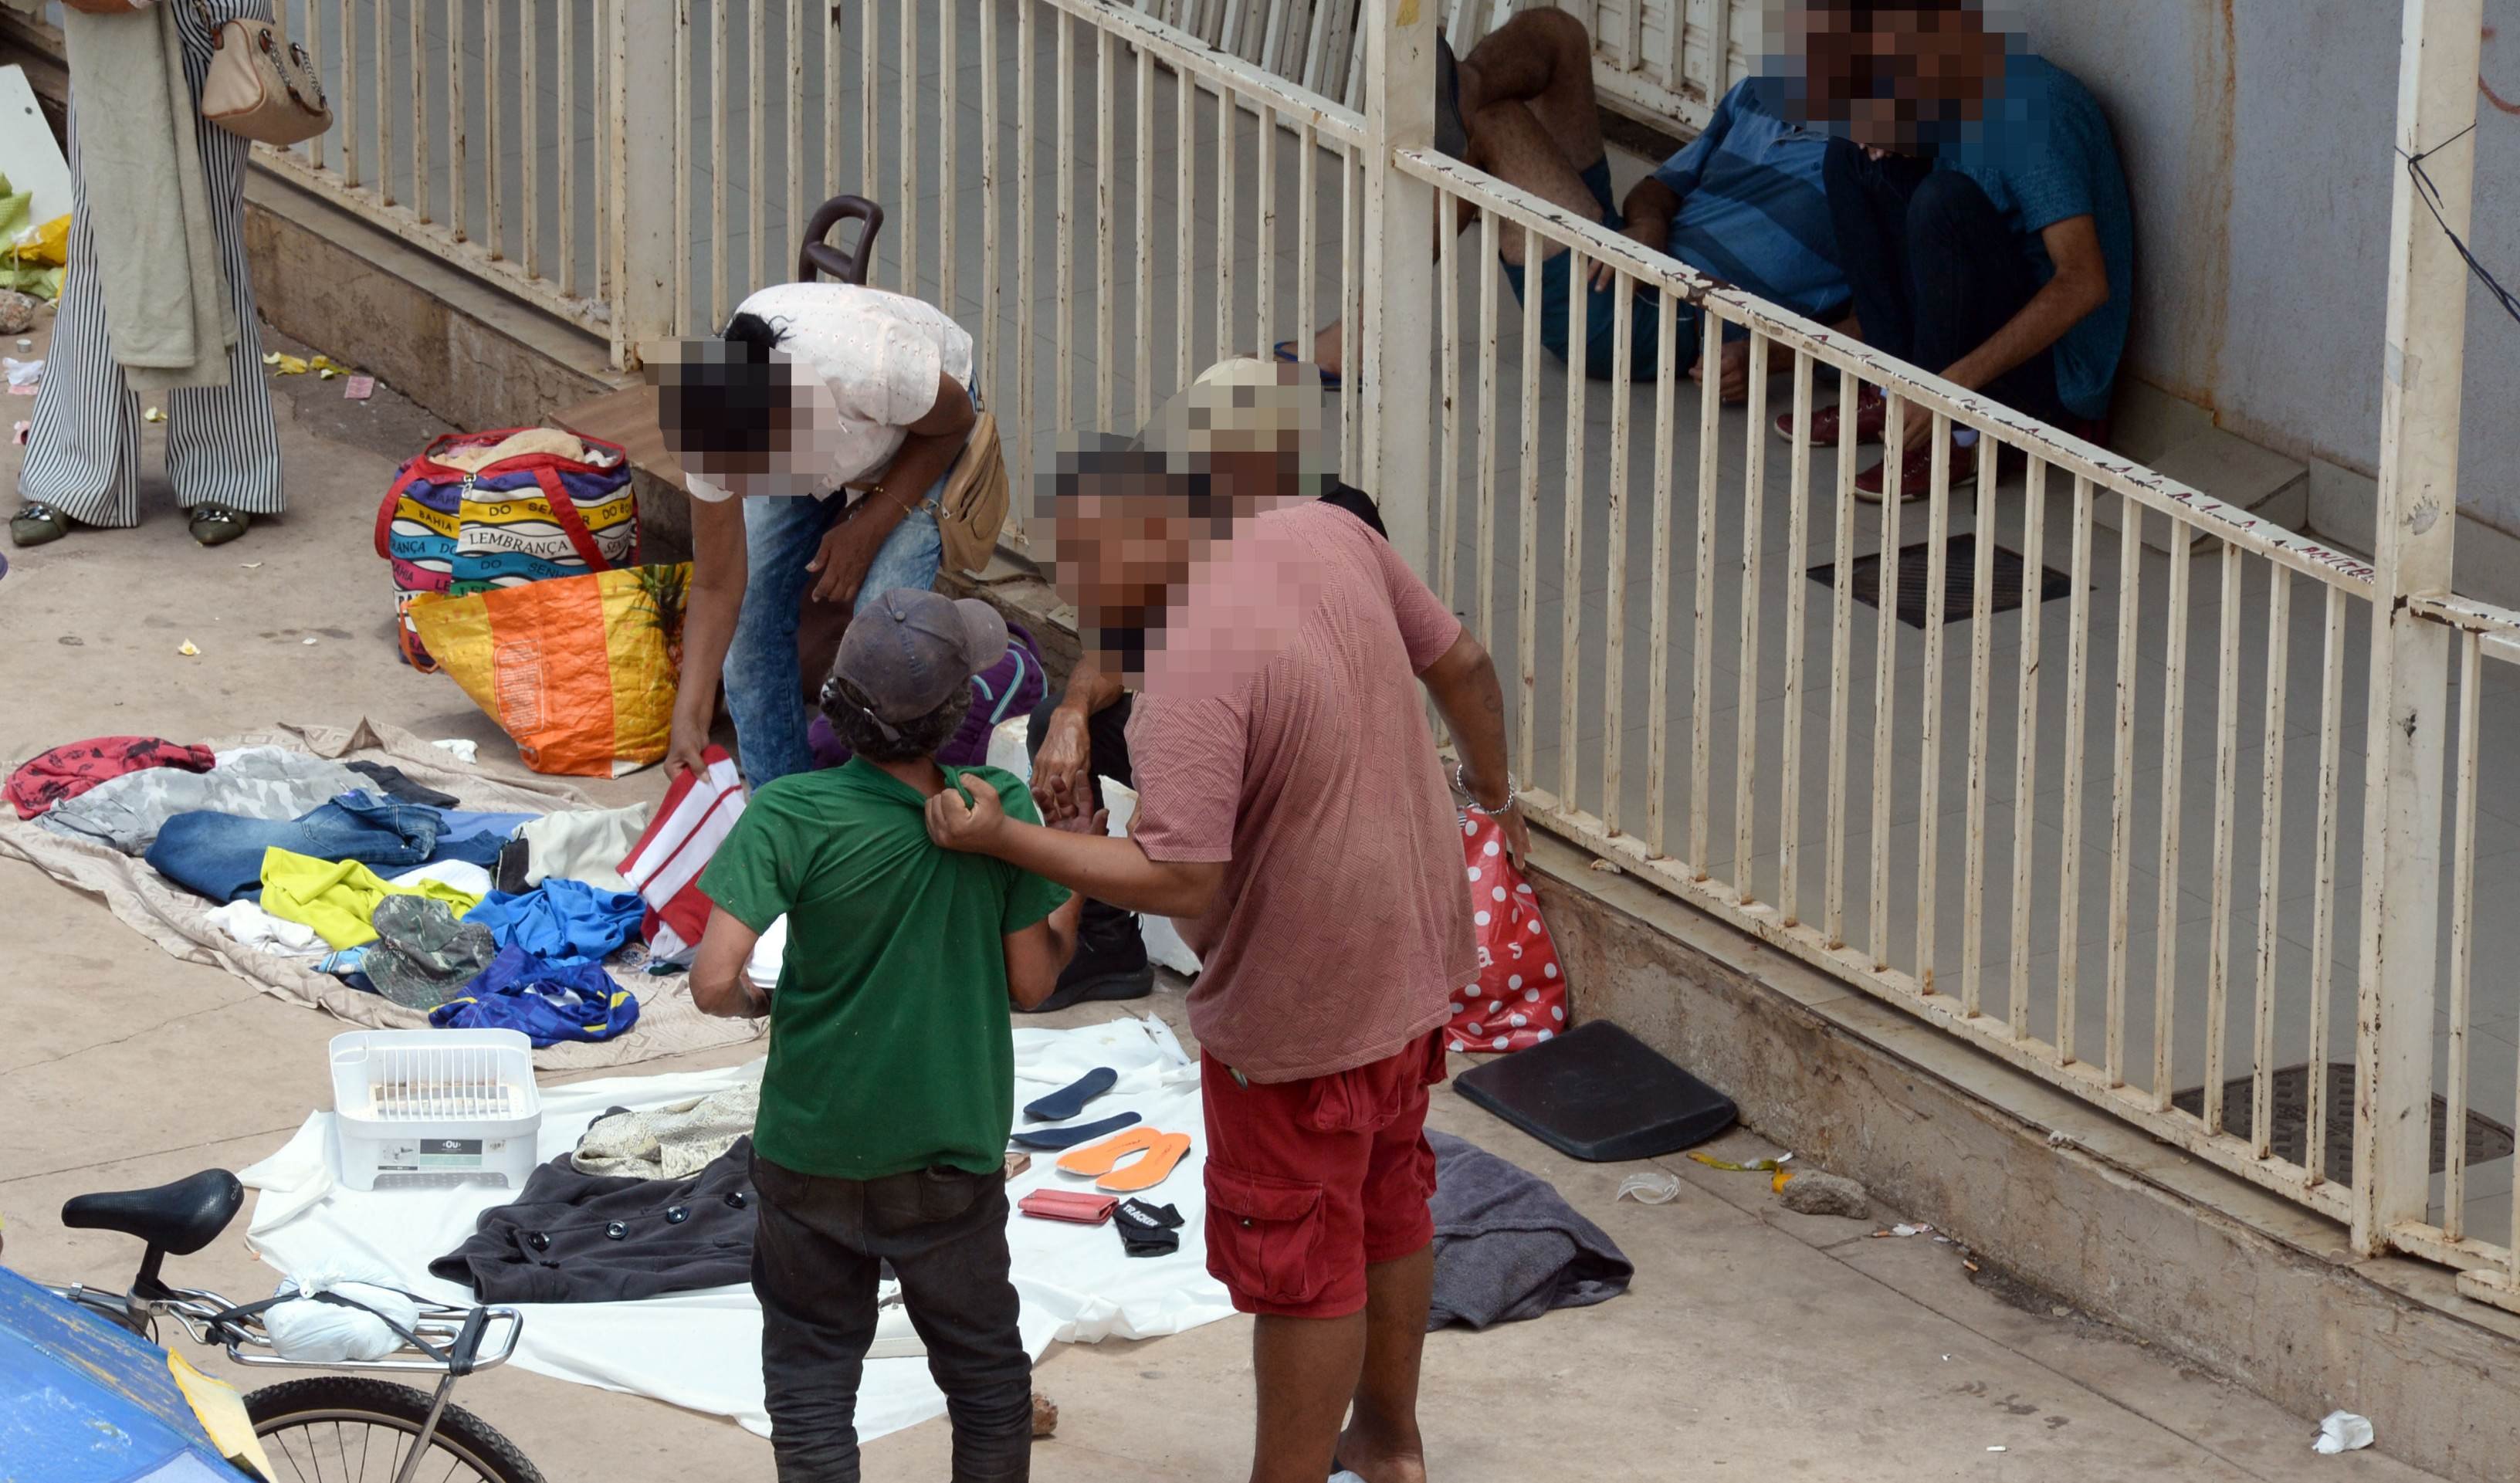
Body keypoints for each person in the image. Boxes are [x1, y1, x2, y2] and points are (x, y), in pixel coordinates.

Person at [928, 406, 1526, 1483]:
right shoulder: (1323, 532)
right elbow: (1467, 663)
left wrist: (1014, 836)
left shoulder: (1191, 682)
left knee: (1305, 1263)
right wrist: (1493, 792)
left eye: (1087, 580)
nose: (1082, 607)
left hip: (1306, 1005)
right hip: (1414, 947)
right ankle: (1391, 1444)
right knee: (1390, 1199)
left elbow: (1182, 881)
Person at [690, 587, 1086, 1483]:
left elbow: (714, 981)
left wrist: (766, 1005)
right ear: (957, 714)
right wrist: (1075, 879)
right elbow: (1033, 978)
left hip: (809, 1154)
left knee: (811, 1382)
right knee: (986, 1379)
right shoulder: (1002, 810)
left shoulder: (789, 813)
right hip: (945, 1160)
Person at [1022, 357, 1389, 1014]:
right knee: (1057, 713)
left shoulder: (1336, 521)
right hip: (1230, 715)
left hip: (1304, 745)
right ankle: (1105, 946)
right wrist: (1074, 711)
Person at [1281, 9, 1853, 401]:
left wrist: (1770, 360)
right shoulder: (1764, 90)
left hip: (1653, 314)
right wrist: (1649, 222)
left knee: (1494, 127)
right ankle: (1462, 88)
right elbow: (1662, 185)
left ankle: (1356, 339)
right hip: (1630, 253)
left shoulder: (1882, 157)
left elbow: (1890, 317)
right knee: (1558, 32)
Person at [1777, 1, 2132, 500]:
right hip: (1973, 319)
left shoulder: (2031, 112)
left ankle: (1954, 434)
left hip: (2052, 377)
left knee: (1941, 200)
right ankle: (1891, 387)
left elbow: (2085, 282)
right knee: (1849, 160)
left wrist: (1949, 388)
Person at [657, 281, 981, 785]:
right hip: (837, 433)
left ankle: (873, 821)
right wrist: (691, 713)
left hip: (922, 435)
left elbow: (954, 420)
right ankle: (783, 807)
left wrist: (867, 528)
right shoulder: (705, 421)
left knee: (886, 635)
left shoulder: (865, 368)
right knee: (750, 618)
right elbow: (719, 583)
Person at [14, 0, 286, 549]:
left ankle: (229, 472)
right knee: (99, 244)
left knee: (209, 240)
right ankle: (73, 474)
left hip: (212, 23)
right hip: (111, 28)